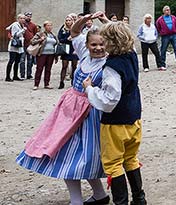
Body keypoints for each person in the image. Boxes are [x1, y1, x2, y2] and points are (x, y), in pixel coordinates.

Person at [15, 12, 110, 205]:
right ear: (87, 45)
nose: (98, 48)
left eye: (102, 44)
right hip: (68, 112)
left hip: (91, 114)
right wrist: (85, 18)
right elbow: (74, 31)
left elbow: (125, 42)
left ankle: (92, 197)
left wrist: (107, 23)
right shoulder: (84, 54)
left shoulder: (110, 61)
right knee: (66, 152)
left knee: (85, 157)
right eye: (94, 45)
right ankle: (95, 196)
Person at [85, 20, 146, 205]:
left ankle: (121, 202)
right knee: (130, 159)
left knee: (113, 163)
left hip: (115, 123)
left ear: (110, 42)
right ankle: (139, 199)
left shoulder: (112, 66)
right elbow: (121, 32)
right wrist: (109, 22)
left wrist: (89, 89)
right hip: (134, 118)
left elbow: (110, 99)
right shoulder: (131, 54)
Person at [31, 21, 60, 90]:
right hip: (42, 54)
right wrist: (40, 40)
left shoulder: (53, 35)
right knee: (39, 69)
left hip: (51, 54)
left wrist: (56, 56)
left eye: (50, 25)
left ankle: (47, 84)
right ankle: (36, 84)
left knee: (48, 69)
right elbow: (32, 41)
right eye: (48, 25)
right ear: (44, 26)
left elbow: (56, 44)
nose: (49, 27)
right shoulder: (40, 34)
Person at [58, 13, 79, 88]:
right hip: (65, 49)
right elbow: (60, 39)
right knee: (64, 66)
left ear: (72, 21)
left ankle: (73, 82)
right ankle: (61, 82)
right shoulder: (63, 28)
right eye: (67, 20)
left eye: (69, 20)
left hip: (74, 49)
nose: (68, 22)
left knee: (74, 66)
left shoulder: (75, 28)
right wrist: (67, 39)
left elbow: (78, 37)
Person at [5, 14, 26, 82]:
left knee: (17, 62)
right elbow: (15, 34)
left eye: (24, 18)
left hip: (19, 46)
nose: (23, 20)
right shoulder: (15, 25)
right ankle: (7, 77)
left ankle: (15, 76)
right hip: (14, 46)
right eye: (22, 18)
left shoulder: (22, 25)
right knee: (11, 61)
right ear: (18, 19)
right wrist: (23, 30)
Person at [21, 12, 38, 80]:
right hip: (22, 45)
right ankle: (22, 75)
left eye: (30, 16)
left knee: (30, 60)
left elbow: (35, 34)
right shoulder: (21, 24)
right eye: (27, 16)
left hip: (30, 45)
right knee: (22, 60)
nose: (28, 17)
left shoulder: (33, 25)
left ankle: (29, 74)